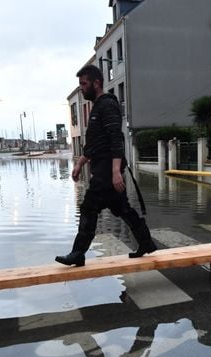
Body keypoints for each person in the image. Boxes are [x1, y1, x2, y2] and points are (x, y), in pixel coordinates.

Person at [56, 65, 156, 267]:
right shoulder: (97, 107)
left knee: (88, 207)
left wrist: (115, 172)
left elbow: (115, 139)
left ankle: (78, 253)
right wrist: (79, 164)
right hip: (104, 168)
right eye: (80, 84)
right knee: (123, 208)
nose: (82, 88)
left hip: (106, 171)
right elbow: (94, 144)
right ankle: (146, 242)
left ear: (96, 83)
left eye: (84, 84)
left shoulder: (107, 105)